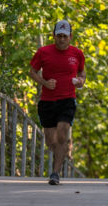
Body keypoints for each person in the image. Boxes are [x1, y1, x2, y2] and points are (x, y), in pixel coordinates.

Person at [29, 20, 86, 185]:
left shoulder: (77, 53)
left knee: (62, 134)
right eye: (59, 36)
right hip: (47, 101)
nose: (61, 39)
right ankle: (62, 152)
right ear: (53, 36)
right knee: (51, 141)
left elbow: (82, 71)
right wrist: (45, 83)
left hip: (67, 99)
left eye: (65, 36)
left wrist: (81, 81)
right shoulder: (43, 52)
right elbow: (32, 71)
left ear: (70, 37)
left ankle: (55, 173)